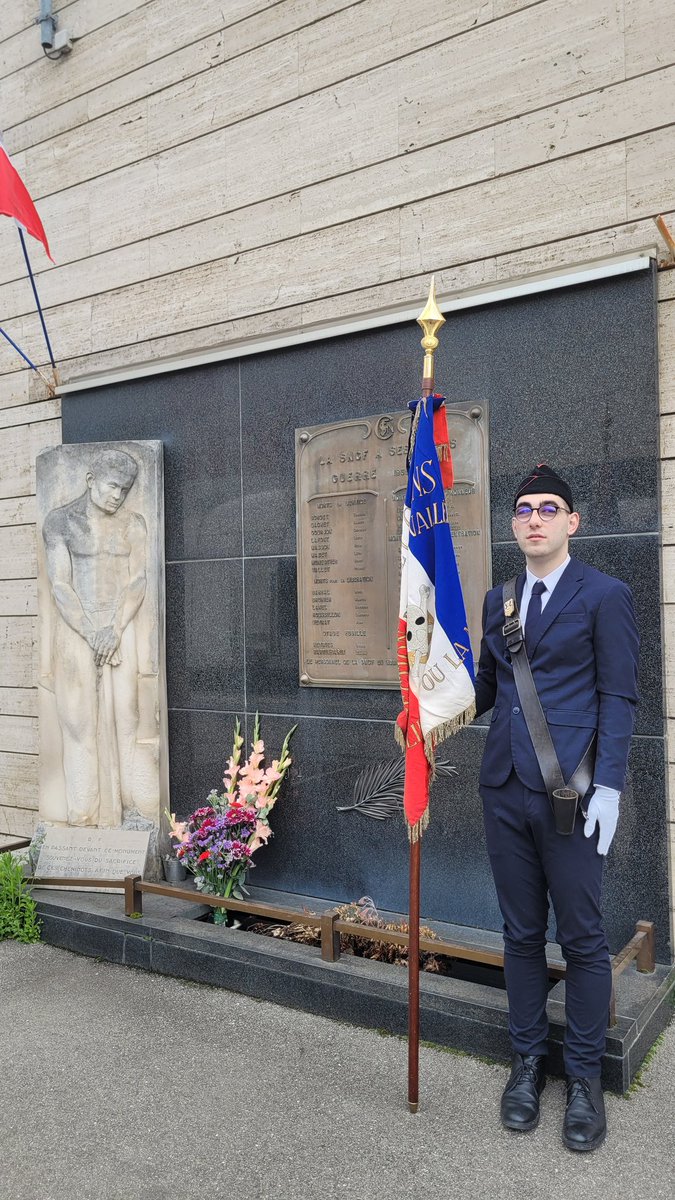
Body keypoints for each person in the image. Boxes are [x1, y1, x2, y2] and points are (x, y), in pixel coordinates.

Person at [474, 463, 639, 1152]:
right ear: (513, 525)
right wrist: (424, 711)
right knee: (518, 933)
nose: (533, 518)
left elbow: (617, 695)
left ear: (571, 522)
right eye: (522, 509)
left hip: (571, 792)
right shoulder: (498, 600)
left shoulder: (604, 594)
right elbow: (486, 689)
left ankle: (581, 1080)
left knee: (580, 938)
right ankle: (525, 1065)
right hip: (503, 788)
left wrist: (609, 785)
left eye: (547, 508)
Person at [42, 449, 147, 828]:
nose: (117, 495)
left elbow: (138, 580)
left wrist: (115, 630)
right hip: (75, 629)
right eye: (111, 486)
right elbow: (60, 585)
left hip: (120, 625)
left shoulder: (134, 525)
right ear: (90, 481)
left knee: (128, 718)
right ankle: (81, 817)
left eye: (125, 489)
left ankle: (128, 810)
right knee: (78, 722)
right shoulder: (60, 522)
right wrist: (92, 633)